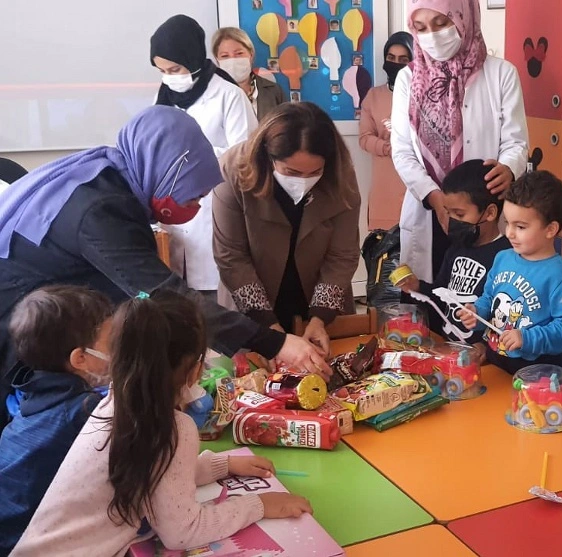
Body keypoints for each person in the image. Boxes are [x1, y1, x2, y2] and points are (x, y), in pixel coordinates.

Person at [0, 106, 327, 427]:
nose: (196, 206)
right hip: (19, 328)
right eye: (191, 196)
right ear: (165, 172)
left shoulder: (110, 178)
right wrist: (274, 343)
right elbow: (164, 295)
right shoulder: (101, 210)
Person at [12, 290, 312, 555]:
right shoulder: (170, 427)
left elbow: (156, 471)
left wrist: (221, 465)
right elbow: (183, 532)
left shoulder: (117, 405)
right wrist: (259, 505)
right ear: (196, 370)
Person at [392, 0, 529, 284]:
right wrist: (436, 199)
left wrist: (508, 168)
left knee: (484, 292)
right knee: (428, 295)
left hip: (483, 210)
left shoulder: (501, 74)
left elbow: (516, 142)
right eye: (421, 28)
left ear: (464, 17)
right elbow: (403, 151)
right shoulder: (408, 79)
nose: (432, 35)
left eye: (441, 23)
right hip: (429, 208)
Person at [213, 102, 361, 354]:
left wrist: (320, 318)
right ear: (268, 155)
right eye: (291, 171)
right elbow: (231, 257)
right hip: (252, 301)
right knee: (257, 374)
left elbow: (342, 255)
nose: (303, 181)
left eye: (315, 172)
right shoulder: (234, 170)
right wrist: (268, 332)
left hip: (319, 299)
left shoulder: (339, 175)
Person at [151, 15, 259, 298]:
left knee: (215, 300)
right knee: (177, 297)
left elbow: (246, 157)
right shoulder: (162, 98)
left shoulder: (229, 96)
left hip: (214, 210)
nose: (169, 77)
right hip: (172, 215)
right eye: (162, 71)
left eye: (175, 69)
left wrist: (194, 155)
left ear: (193, 57)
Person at [0, 286, 113, 553]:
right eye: (112, 342)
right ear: (80, 358)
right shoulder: (85, 411)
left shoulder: (30, 394)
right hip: (26, 543)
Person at [458, 171, 562, 374]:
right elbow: (489, 298)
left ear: (550, 229)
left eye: (520, 226)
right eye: (507, 223)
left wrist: (527, 338)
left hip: (536, 372)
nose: (509, 233)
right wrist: (477, 313)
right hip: (495, 359)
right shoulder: (502, 258)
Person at [397, 159, 511, 352]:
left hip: (483, 358)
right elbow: (440, 294)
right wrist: (417, 286)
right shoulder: (456, 248)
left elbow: (506, 316)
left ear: (490, 213)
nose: (452, 221)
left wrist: (485, 348)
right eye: (449, 213)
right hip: (449, 349)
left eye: (459, 214)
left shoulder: (507, 257)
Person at [359, 31, 413, 231]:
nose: (396, 64)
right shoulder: (374, 96)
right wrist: (390, 148)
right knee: (384, 247)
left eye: (403, 60)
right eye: (391, 58)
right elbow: (365, 138)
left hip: (415, 186)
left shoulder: (424, 96)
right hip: (385, 187)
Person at [212, 27, 287, 121]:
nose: (233, 60)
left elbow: (288, 125)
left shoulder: (274, 91)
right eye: (225, 56)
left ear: (251, 55)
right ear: (217, 60)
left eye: (239, 53)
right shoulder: (210, 95)